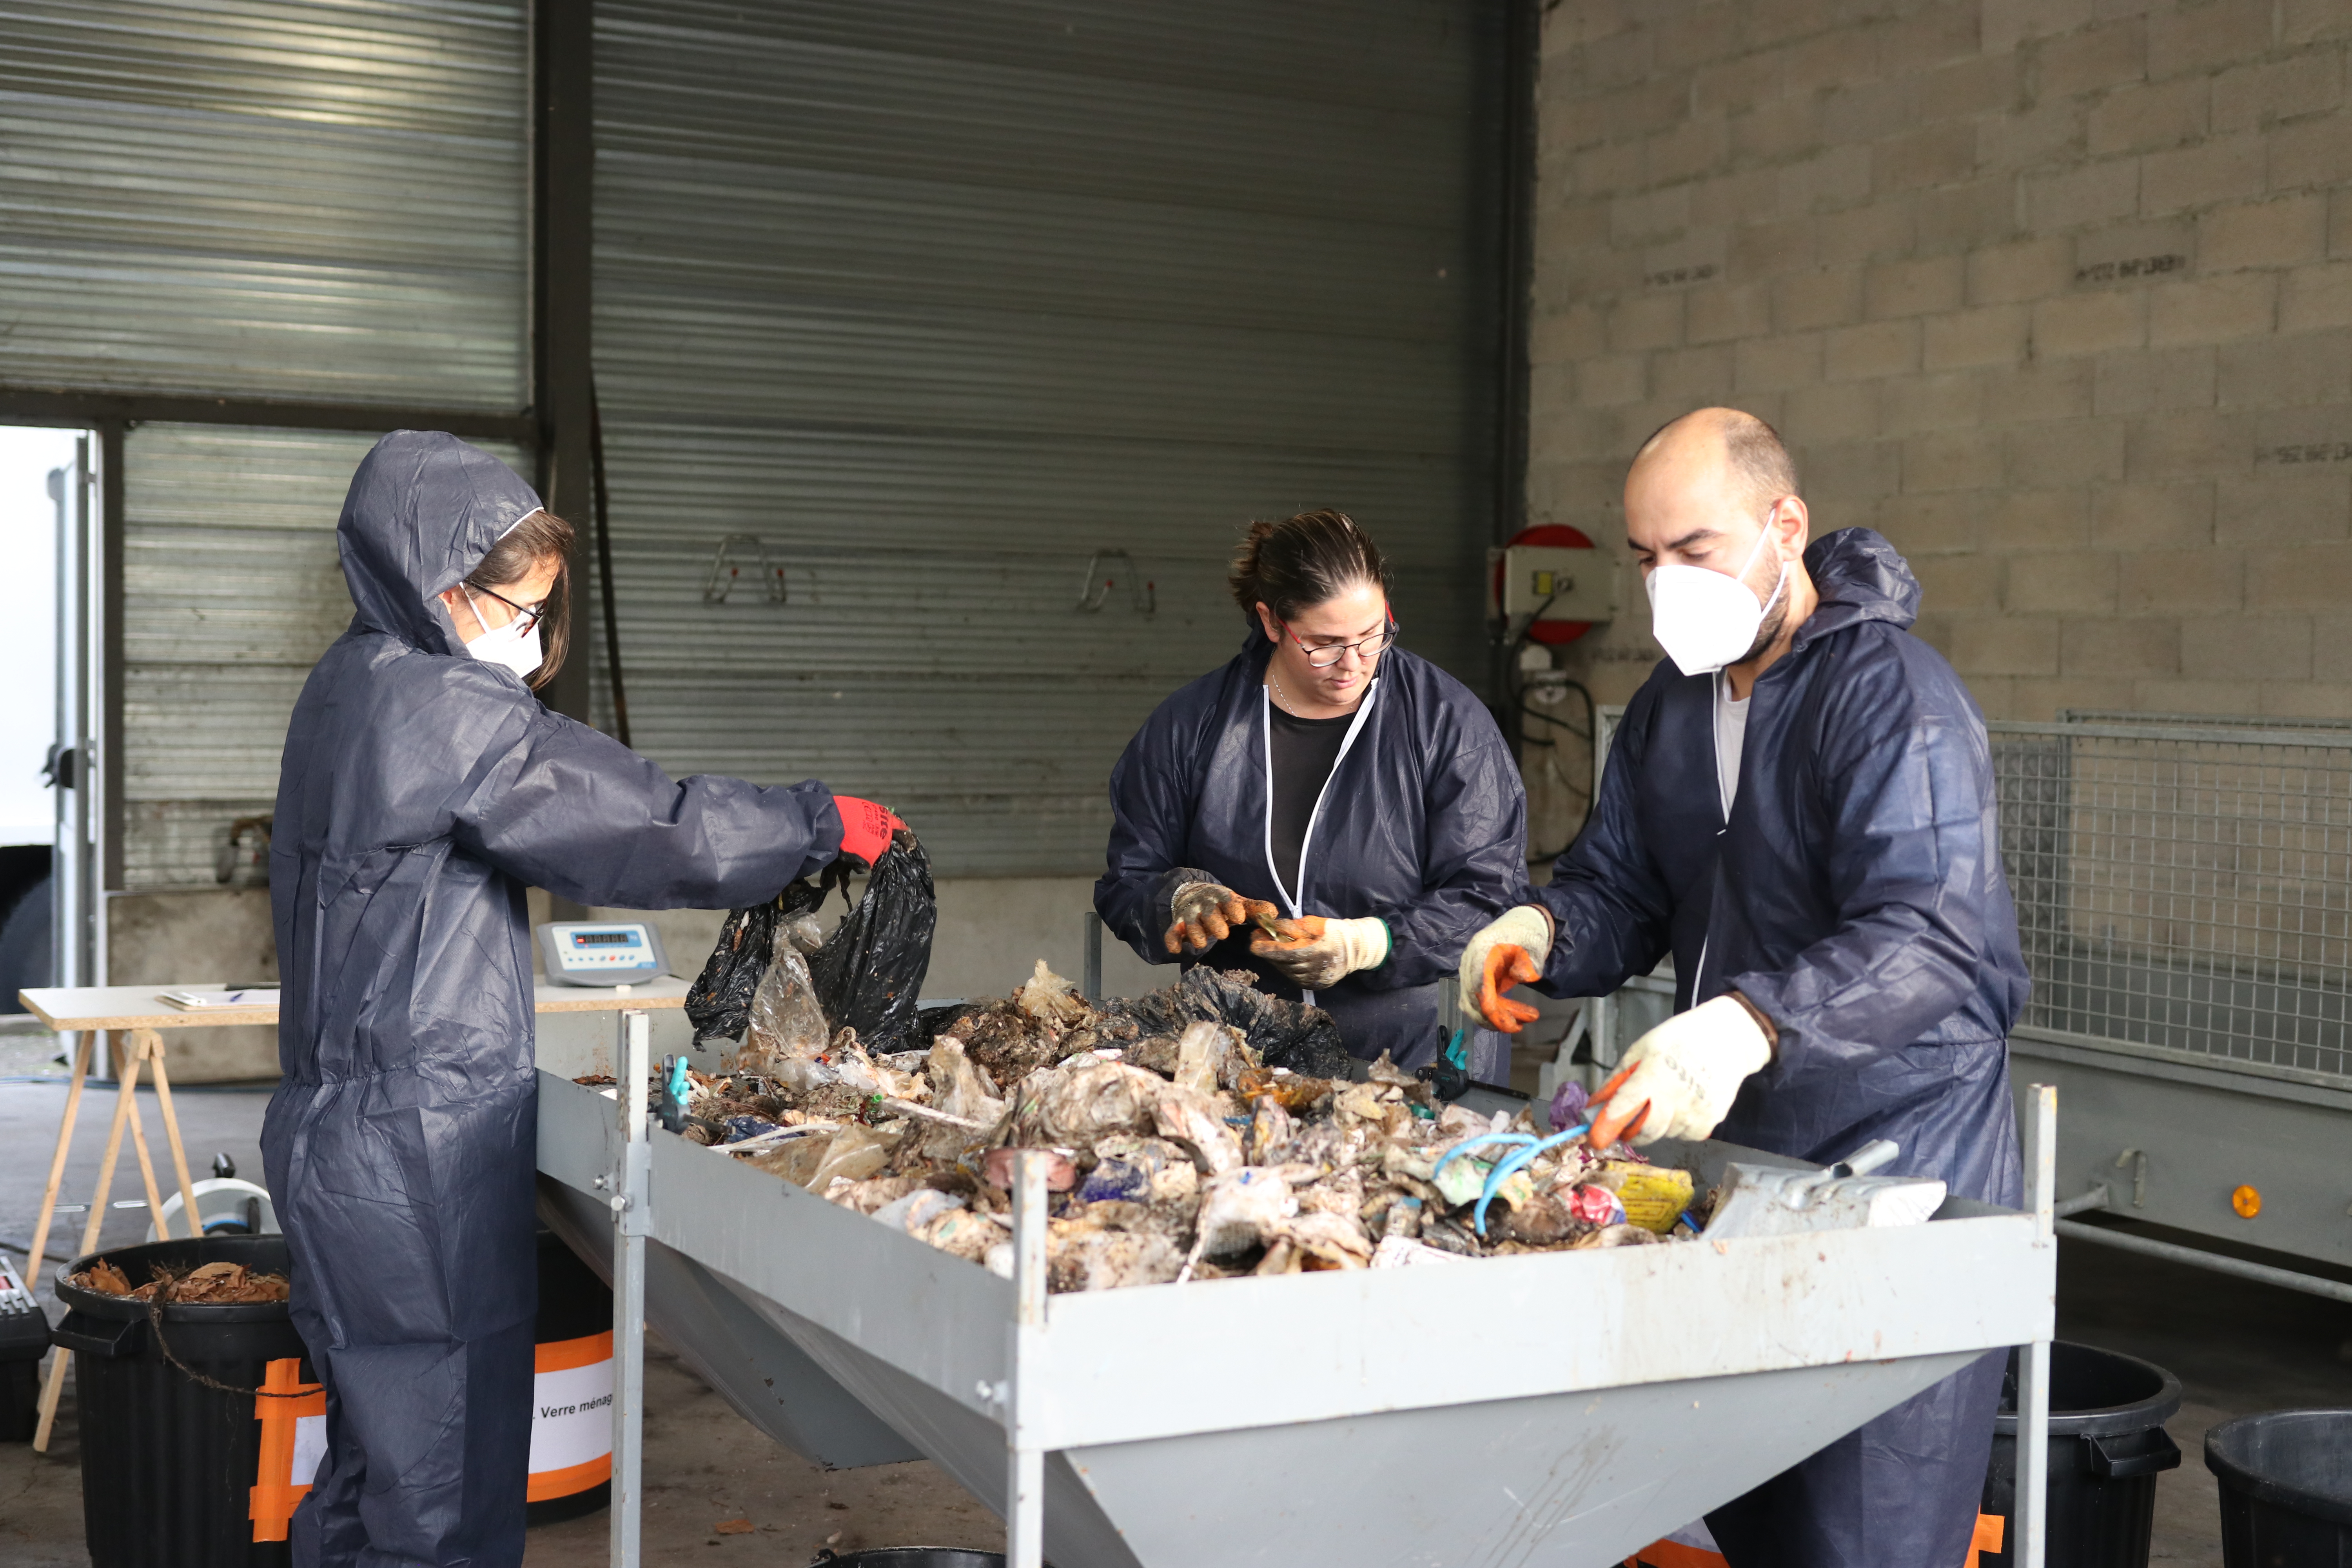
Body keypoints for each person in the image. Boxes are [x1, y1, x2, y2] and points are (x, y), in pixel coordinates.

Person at [262, 431, 904, 1567]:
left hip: (331, 1132)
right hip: (422, 1138)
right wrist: (812, 821)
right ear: (437, 587)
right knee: (444, 1478)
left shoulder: (346, 685)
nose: (527, 634)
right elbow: (642, 825)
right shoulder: (445, 711)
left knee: (375, 1455)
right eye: (516, 607)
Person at [1458, 408, 2029, 1568]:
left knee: (1863, 1525)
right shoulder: (1674, 707)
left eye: (1696, 551)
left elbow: (1932, 935)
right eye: (1645, 559)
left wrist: (1751, 1025)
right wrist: (1541, 925)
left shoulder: (1892, 697)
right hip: (1740, 1164)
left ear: (1786, 528)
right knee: (1755, 1508)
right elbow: (1623, 884)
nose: (1668, 585)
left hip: (1898, 1165)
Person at [1096, 508, 1526, 1069]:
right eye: (1324, 644)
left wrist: (1372, 943)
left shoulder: (1445, 722)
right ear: (1272, 623)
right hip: (1245, 1064)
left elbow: (1493, 892)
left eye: (1373, 635)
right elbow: (1128, 880)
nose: (1354, 665)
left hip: (1411, 1060)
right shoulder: (1192, 727)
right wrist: (1176, 899)